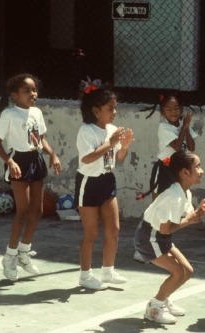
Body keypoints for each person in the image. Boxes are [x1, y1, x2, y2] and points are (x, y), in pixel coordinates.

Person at [0, 73, 62, 281]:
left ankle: (24, 251)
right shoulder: (9, 115)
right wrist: (9, 162)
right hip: (18, 162)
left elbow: (40, 138)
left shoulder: (37, 113)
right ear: (14, 95)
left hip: (36, 160)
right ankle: (9, 256)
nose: (33, 93)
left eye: (34, 90)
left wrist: (53, 154)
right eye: (27, 90)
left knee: (37, 211)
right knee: (22, 211)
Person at [134, 150, 205, 324]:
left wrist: (199, 212)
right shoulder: (173, 197)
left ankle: (165, 296)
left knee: (187, 271)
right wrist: (190, 220)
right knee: (178, 272)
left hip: (160, 237)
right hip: (150, 237)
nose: (202, 171)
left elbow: (188, 217)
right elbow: (165, 229)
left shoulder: (185, 193)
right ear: (185, 173)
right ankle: (155, 308)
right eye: (198, 167)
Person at [75, 79, 134, 289]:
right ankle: (85, 275)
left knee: (114, 229)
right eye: (110, 108)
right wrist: (111, 143)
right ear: (95, 111)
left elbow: (117, 158)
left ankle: (108, 271)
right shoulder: (87, 131)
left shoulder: (112, 129)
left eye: (116, 107)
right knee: (91, 233)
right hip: (88, 183)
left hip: (107, 180)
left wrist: (124, 146)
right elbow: (88, 158)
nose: (114, 112)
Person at [134, 93, 199, 262]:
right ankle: (142, 246)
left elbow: (191, 148)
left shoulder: (183, 124)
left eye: (176, 108)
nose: (173, 111)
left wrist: (186, 127)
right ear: (162, 112)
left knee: (172, 206)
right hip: (164, 169)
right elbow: (177, 147)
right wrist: (184, 128)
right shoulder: (164, 127)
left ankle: (162, 241)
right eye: (169, 109)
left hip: (177, 171)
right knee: (158, 205)